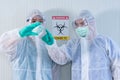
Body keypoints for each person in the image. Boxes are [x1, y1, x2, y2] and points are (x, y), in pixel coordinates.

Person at [41, 10, 120, 80]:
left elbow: (117, 65)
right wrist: (51, 45)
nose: (80, 27)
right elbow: (61, 58)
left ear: (91, 23)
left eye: (82, 23)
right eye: (77, 25)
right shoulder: (74, 44)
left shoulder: (106, 42)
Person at [0, 9, 60, 80]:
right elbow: (4, 45)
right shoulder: (20, 41)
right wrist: (19, 34)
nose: (37, 24)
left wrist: (51, 45)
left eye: (41, 21)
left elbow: (56, 63)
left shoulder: (48, 40)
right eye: (34, 21)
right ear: (28, 22)